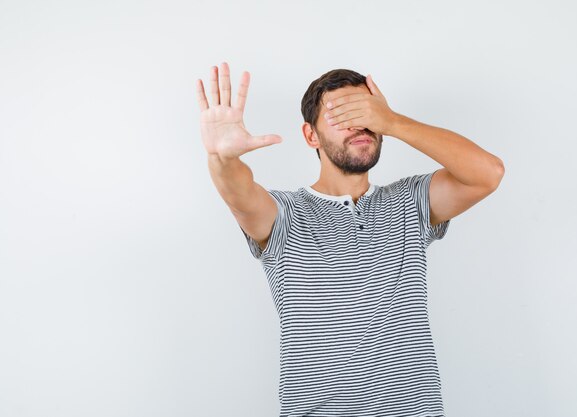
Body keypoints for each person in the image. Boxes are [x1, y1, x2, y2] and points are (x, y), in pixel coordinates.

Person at [196, 62, 504, 417]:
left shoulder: (410, 201)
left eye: (366, 113)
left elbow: (488, 174)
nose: (360, 126)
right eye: (342, 115)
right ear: (311, 136)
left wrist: (393, 121)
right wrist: (220, 158)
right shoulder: (284, 214)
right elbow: (239, 193)